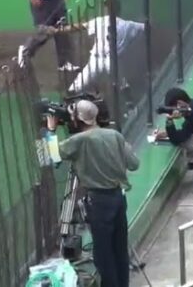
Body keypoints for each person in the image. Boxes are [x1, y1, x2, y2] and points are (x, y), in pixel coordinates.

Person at [50, 100, 140, 287]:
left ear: (77, 119)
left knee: (103, 253)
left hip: (98, 202)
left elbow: (50, 156)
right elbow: (134, 163)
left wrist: (50, 131)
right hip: (118, 197)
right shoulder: (115, 135)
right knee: (119, 249)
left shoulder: (79, 141)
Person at [49, 0, 145, 93]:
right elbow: (145, 27)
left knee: (75, 87)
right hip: (112, 62)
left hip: (95, 62)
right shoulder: (128, 25)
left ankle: (70, 104)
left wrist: (58, 30)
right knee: (122, 83)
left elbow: (79, 26)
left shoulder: (100, 21)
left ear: (108, 10)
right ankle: (131, 106)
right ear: (119, 10)